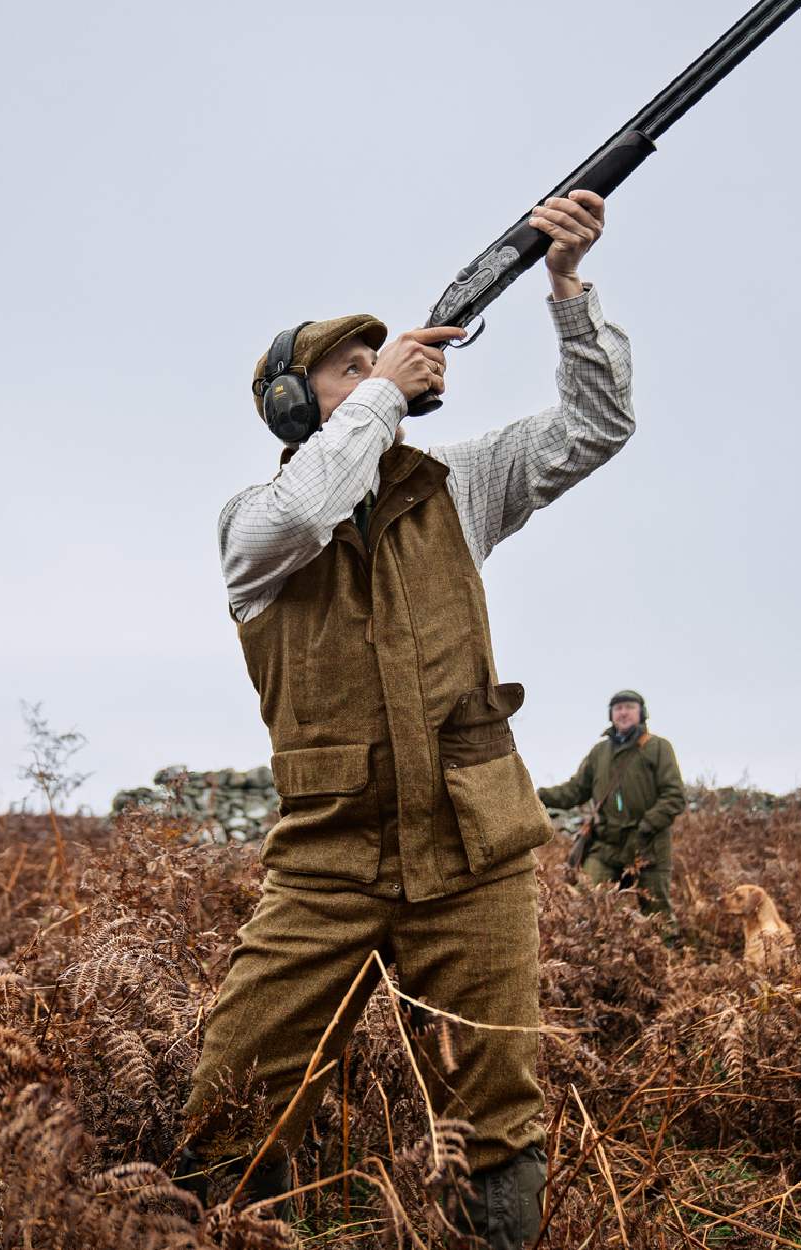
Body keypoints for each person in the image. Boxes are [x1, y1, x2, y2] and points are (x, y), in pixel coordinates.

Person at [179, 189, 634, 1246]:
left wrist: (568, 290)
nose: (381, 370)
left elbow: (597, 427)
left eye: (379, 360)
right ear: (293, 405)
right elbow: (308, 505)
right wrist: (382, 392)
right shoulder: (253, 526)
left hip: (474, 849)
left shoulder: (457, 485)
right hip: (326, 861)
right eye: (349, 367)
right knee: (233, 1094)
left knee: (495, 1115)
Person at [537, 690, 685, 918]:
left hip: (648, 846)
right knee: (585, 904)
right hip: (606, 846)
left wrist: (647, 825)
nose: (623, 712)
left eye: (629, 707)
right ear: (611, 715)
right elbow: (575, 790)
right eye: (618, 708)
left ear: (642, 713)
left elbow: (674, 796)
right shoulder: (599, 752)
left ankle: (665, 943)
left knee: (657, 915)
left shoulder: (658, 747)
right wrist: (540, 796)